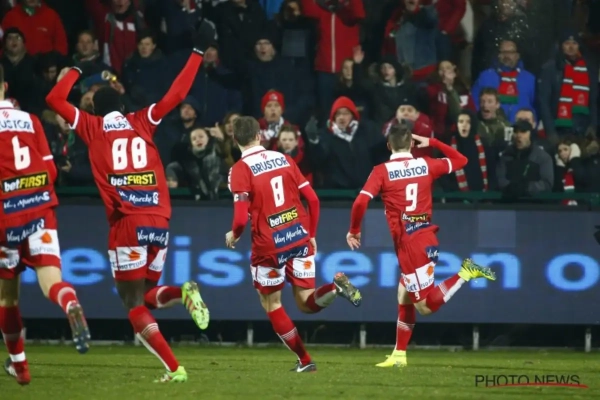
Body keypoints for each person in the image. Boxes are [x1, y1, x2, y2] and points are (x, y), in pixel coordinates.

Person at [45, 47, 209, 383]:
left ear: (94, 109)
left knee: (133, 305)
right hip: (159, 221)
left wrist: (77, 68)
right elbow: (178, 94)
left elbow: (54, 99)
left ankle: (175, 369)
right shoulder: (142, 121)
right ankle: (182, 292)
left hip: (127, 223)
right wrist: (196, 52)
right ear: (121, 108)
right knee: (147, 294)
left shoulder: (91, 126)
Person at [346, 122, 496, 368]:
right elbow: (462, 161)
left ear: (388, 145)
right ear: (412, 144)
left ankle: (465, 273)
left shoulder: (382, 171)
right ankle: (399, 355)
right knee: (403, 295)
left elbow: (360, 202)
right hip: (422, 237)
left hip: (411, 244)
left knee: (424, 306)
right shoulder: (426, 164)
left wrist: (354, 230)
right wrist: (433, 142)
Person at [225, 116, 362, 372]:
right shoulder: (284, 159)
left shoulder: (239, 170)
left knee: (272, 304)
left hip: (269, 244)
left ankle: (305, 360)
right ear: (259, 136)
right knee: (306, 302)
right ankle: (334, 288)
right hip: (298, 234)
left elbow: (240, 219)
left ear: (235, 140)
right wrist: (311, 234)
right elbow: (313, 199)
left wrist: (234, 234)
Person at [0, 66, 90, 386]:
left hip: (5, 215)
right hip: (40, 207)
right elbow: (51, 172)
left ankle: (20, 367)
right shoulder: (31, 120)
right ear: (4, 86)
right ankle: (70, 303)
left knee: (8, 298)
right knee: (51, 279)